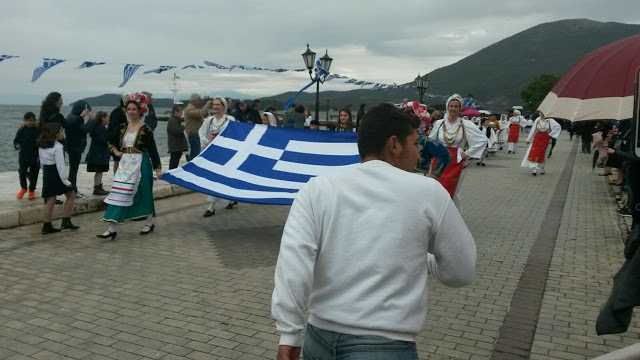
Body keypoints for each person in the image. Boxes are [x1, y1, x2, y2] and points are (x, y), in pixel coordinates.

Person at [272, 103, 476, 359]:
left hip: (319, 338)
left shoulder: (317, 188)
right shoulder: (429, 192)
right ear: (394, 144)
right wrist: (427, 262)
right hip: (386, 344)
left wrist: (289, 332)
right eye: (414, 144)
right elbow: (462, 270)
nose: (419, 155)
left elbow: (293, 261)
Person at [98, 93, 162, 240]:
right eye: (129, 109)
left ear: (140, 111)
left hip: (142, 163)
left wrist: (157, 169)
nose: (131, 111)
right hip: (125, 164)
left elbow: (153, 150)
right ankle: (111, 228)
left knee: (145, 192)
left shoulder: (146, 128)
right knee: (119, 194)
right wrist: (115, 151)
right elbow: (110, 140)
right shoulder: (122, 128)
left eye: (134, 109)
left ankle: (149, 222)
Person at [429, 94, 487, 210]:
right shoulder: (439, 123)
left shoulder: (465, 124)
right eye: (451, 106)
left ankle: (454, 218)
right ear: (447, 107)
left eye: (456, 106)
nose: (453, 109)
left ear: (460, 108)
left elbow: (482, 139)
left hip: (457, 161)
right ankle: (438, 216)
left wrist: (467, 153)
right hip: (440, 160)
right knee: (438, 188)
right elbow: (431, 141)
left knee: (454, 191)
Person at [37, 122, 78, 234]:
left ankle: (46, 225)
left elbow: (41, 162)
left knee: (50, 199)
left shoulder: (42, 145)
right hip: (56, 173)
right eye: (61, 131)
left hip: (47, 172)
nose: (62, 133)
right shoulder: (58, 147)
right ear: (55, 134)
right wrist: (66, 181)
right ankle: (66, 221)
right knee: (71, 195)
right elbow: (61, 166)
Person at [199, 96, 237, 216]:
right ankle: (219, 203)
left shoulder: (229, 119)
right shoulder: (209, 120)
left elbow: (235, 134)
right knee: (214, 177)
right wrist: (207, 142)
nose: (215, 107)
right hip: (213, 152)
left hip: (225, 152)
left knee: (224, 177)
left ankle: (213, 205)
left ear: (223, 106)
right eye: (214, 104)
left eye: (218, 105)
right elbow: (201, 132)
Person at [65, 100, 92, 198]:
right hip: (75, 147)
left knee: (73, 169)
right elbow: (83, 130)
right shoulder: (75, 118)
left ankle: (72, 189)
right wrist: (91, 120)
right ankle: (72, 190)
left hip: (73, 147)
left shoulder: (72, 117)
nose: (87, 114)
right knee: (73, 170)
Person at [14, 112, 40, 200]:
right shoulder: (21, 130)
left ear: (34, 121)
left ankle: (32, 190)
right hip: (23, 155)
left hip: (34, 156)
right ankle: (24, 188)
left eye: (31, 121)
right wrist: (17, 145)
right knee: (22, 172)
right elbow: (16, 140)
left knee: (34, 174)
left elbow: (41, 141)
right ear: (24, 121)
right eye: (27, 121)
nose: (29, 122)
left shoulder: (37, 131)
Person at [85, 111, 110, 195]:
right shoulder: (99, 128)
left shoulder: (98, 127)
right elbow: (102, 140)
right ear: (103, 118)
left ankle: (98, 186)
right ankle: (97, 187)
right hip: (98, 154)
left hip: (98, 153)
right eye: (107, 117)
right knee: (99, 171)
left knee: (100, 171)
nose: (108, 119)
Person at [184, 93, 213, 161]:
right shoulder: (189, 109)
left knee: (196, 152)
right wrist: (207, 105)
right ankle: (191, 167)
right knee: (195, 153)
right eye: (199, 100)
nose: (200, 102)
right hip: (194, 135)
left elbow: (202, 114)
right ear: (193, 100)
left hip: (196, 135)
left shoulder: (193, 108)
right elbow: (200, 114)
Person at [108, 97, 128, 174]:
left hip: (124, 139)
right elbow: (113, 129)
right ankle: (116, 175)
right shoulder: (116, 113)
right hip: (116, 140)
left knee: (121, 160)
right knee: (117, 160)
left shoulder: (125, 112)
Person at [167, 104, 188, 170]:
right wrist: (182, 127)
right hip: (175, 145)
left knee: (175, 160)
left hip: (177, 145)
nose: (181, 113)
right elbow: (177, 132)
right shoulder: (172, 120)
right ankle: (171, 173)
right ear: (176, 112)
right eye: (180, 112)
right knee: (174, 161)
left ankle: (172, 172)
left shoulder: (176, 120)